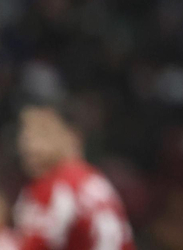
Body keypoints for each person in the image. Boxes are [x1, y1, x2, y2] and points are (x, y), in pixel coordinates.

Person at [10, 105, 134, 250]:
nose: (28, 144)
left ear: (72, 136)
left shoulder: (59, 188)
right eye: (25, 134)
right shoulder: (94, 180)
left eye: (42, 133)